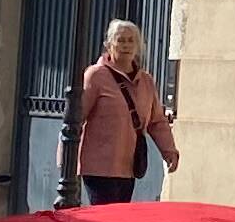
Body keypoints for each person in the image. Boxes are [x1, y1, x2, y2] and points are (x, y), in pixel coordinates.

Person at [73, 19, 181, 205]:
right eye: (120, 40)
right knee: (105, 219)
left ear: (138, 46)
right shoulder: (96, 76)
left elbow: (157, 121)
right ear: (109, 44)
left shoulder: (146, 81)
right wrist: (65, 156)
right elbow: (76, 118)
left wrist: (169, 151)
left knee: (119, 219)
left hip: (128, 166)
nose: (126, 45)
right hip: (98, 167)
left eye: (131, 40)